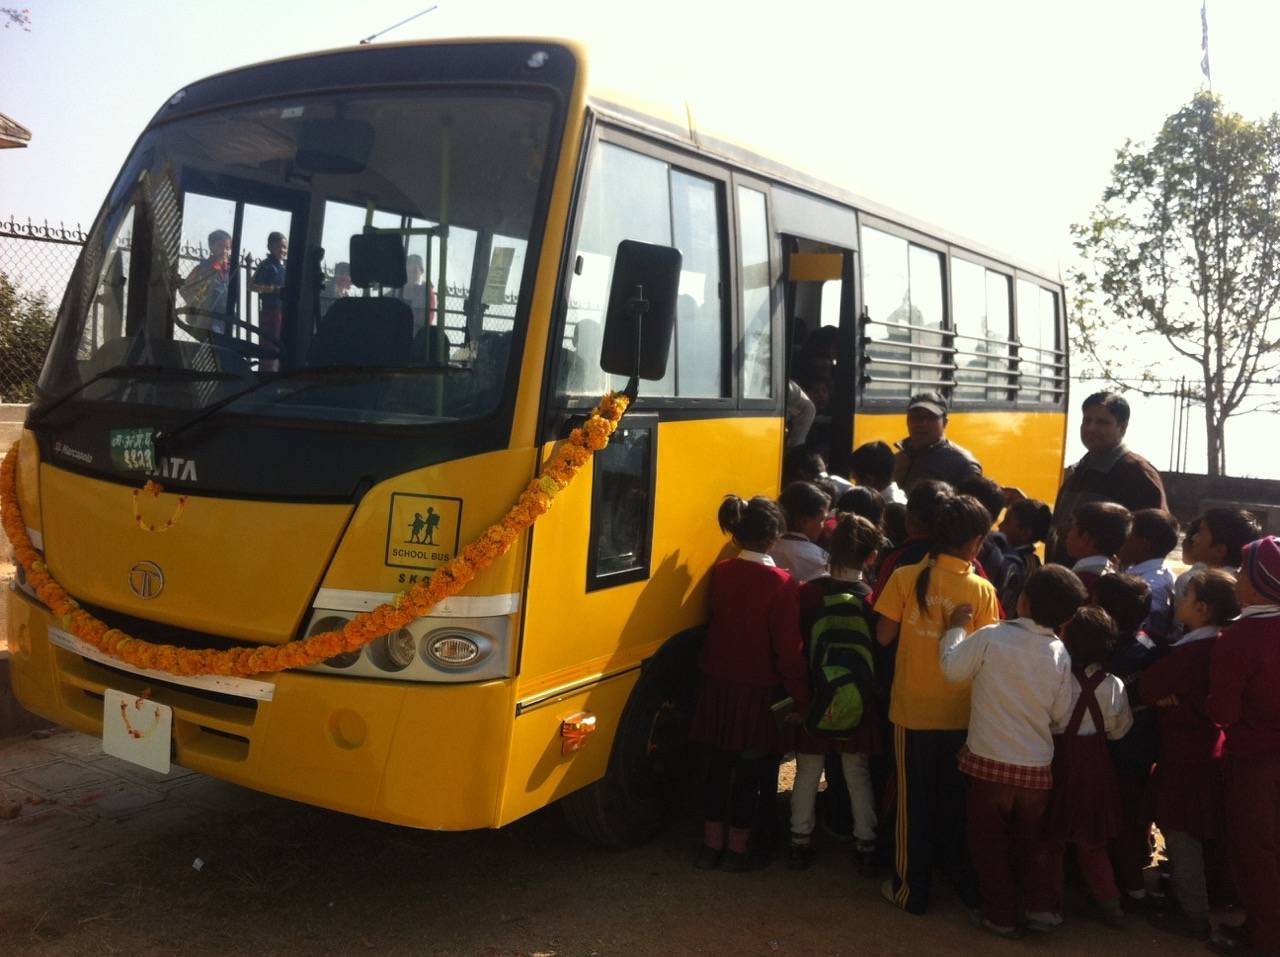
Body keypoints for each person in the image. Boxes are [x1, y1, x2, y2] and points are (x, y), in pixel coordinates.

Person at [939, 565, 1090, 938]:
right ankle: (1038, 909)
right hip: (1035, 771)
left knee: (987, 845)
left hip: (988, 765)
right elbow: (1060, 714)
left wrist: (956, 627)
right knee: (1029, 845)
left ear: (1022, 600)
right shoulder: (1059, 653)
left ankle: (1001, 915)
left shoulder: (992, 637)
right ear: (1068, 617)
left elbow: (952, 669)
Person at [874, 493, 1002, 915]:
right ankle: (958, 880)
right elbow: (988, 654)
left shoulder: (904, 577)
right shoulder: (983, 590)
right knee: (953, 801)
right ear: (976, 543)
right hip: (962, 717)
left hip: (910, 712)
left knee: (913, 804)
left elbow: (883, 638)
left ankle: (912, 889)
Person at [690, 495, 811, 872]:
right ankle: (738, 849)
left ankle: (710, 846)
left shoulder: (723, 571)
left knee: (717, 768)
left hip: (718, 685)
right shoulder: (782, 583)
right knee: (749, 773)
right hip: (756, 692)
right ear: (774, 537)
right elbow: (788, 650)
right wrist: (802, 698)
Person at [1142, 568, 1240, 940]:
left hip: (1186, 755)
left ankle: (1194, 913)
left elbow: (1150, 687)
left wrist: (1165, 700)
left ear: (1201, 608)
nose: (1178, 602)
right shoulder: (1221, 643)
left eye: (1186, 597)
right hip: (1209, 750)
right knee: (1198, 832)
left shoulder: (1193, 652)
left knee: (1182, 833)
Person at [788, 514, 884, 874]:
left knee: (807, 770)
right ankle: (865, 843)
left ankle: (799, 840)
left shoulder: (809, 594)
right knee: (856, 771)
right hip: (859, 702)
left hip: (817, 696)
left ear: (828, 551)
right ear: (871, 556)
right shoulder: (874, 601)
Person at [1037, 607, 1134, 929]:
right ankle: (1110, 905)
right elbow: (1120, 730)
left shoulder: (1057, 678)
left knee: (1051, 840)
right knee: (1092, 843)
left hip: (1059, 767)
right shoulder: (1114, 684)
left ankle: (1047, 908)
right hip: (1096, 771)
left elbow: (1047, 722)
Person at [1207, 536, 1280, 956]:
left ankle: (1264, 937)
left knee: (1255, 851)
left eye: (1242, 570)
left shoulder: (1240, 637)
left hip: (1254, 760)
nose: (1235, 577)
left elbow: (1224, 711)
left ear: (1259, 582)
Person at [1093, 572, 1160, 911]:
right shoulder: (1153, 648)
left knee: (1104, 823)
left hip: (1107, 753)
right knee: (1131, 823)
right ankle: (1131, 886)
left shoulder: (1097, 651)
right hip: (1139, 751)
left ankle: (1112, 887)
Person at [1047, 392, 1167, 564]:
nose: (1091, 428)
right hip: (1068, 582)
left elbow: (1156, 541)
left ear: (1123, 427)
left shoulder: (1137, 473)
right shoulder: (1079, 471)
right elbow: (1062, 531)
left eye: (1102, 422)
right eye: (1086, 420)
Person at [891, 392, 983, 492]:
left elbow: (970, 506)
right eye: (916, 417)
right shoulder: (900, 457)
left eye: (930, 417)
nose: (921, 423)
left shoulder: (963, 465)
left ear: (945, 423)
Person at [1173, 507, 1263, 604]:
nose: (1194, 538)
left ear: (1219, 550)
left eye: (1200, 533)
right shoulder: (1250, 586)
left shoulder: (1191, 583)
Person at [1119, 508, 1180, 642]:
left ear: (1143, 543)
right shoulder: (1159, 573)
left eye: (1129, 535)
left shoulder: (1150, 584)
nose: (1123, 540)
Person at [993, 498, 1052, 614]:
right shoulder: (1003, 553)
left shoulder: (1026, 565)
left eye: (1007, 521)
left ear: (1025, 533)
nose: (1000, 525)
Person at [1064, 501, 1133, 597]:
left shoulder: (1079, 584)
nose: (1068, 534)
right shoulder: (1117, 579)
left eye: (1073, 528)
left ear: (1085, 538)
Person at [770, 482, 831, 583]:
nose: (823, 526)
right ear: (804, 522)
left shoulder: (764, 548)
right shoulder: (821, 560)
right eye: (821, 520)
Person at [179, 228, 232, 333]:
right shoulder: (203, 268)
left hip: (225, 315)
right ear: (211, 247)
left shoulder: (230, 269)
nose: (224, 251)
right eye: (220, 246)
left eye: (227, 248)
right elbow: (186, 287)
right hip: (207, 316)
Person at [250, 231, 288, 372]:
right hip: (270, 311)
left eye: (285, 247)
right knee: (269, 344)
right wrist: (274, 290)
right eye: (280, 247)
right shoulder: (267, 266)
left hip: (282, 310)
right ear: (270, 247)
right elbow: (252, 285)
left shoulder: (284, 267)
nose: (283, 250)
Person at [850, 440, 907, 505]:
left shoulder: (889, 510)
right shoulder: (896, 501)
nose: (854, 487)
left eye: (856, 481)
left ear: (869, 480)